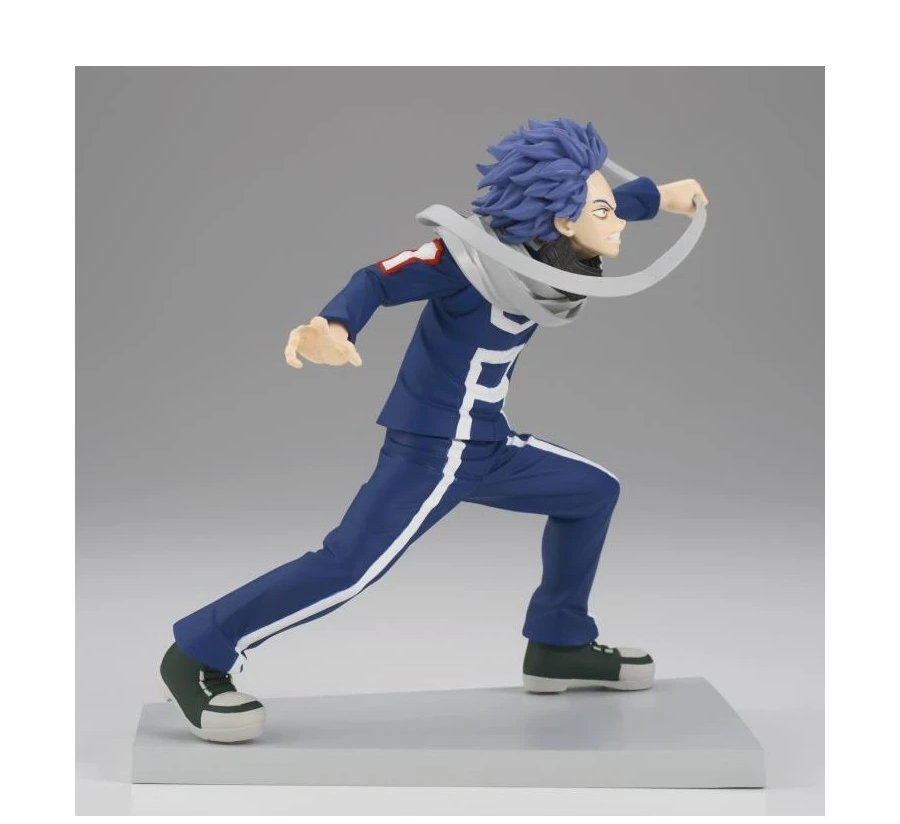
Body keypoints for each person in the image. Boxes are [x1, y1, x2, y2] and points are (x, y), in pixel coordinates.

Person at [159, 117, 708, 742]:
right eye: (602, 212)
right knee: (347, 567)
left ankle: (558, 642)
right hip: (434, 449)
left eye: (608, 209)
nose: (615, 222)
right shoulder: (468, 260)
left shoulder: (545, 242)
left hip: (487, 443)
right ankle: (197, 653)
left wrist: (660, 196)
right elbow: (378, 278)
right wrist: (334, 327)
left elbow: (598, 206)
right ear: (560, 221)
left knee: (592, 492)